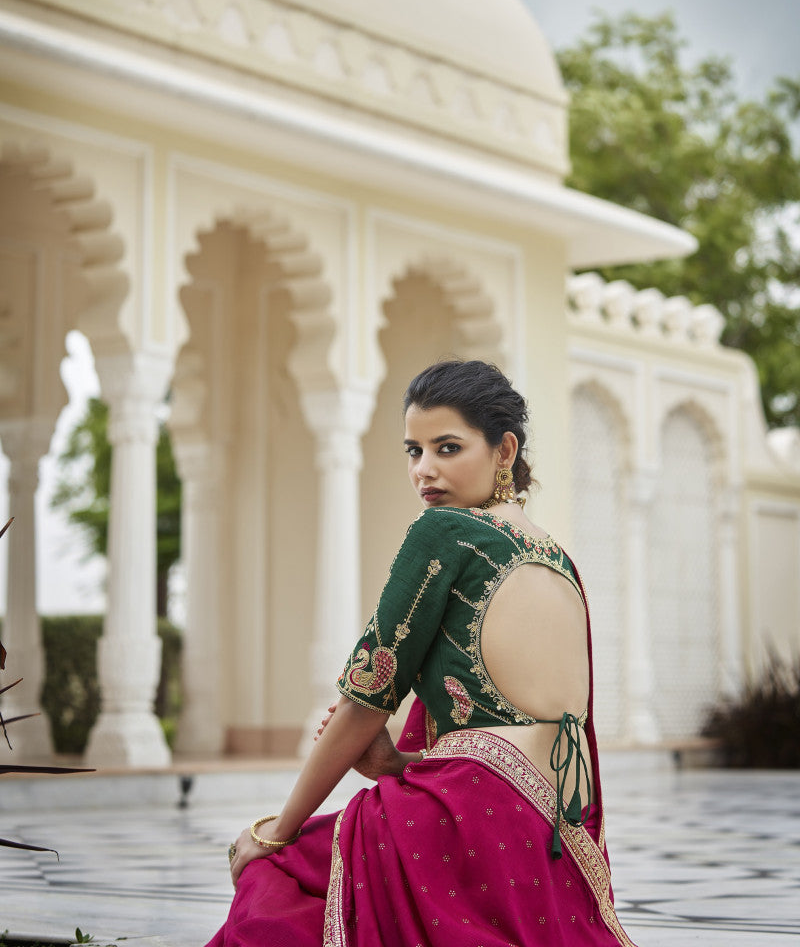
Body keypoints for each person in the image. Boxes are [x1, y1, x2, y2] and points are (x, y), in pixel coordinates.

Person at [206, 359, 636, 947]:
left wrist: (275, 832)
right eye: (414, 450)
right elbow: (524, 750)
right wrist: (394, 766)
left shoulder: (444, 533)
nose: (424, 470)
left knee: (277, 876)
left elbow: (364, 702)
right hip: (552, 844)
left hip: (469, 827)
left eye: (447, 448)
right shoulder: (558, 562)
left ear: (504, 450)